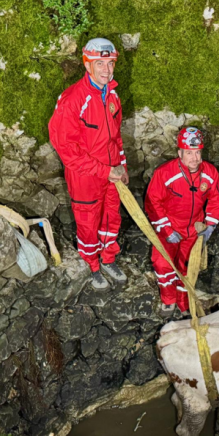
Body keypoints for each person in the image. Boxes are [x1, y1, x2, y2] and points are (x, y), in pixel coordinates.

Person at [48, 38, 129, 290]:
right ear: (87, 64)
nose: (106, 69)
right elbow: (67, 150)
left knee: (111, 217)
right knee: (88, 221)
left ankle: (108, 258)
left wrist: (121, 165)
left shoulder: (112, 95)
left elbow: (115, 136)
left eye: (110, 63)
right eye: (100, 63)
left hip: (112, 172)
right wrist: (105, 171)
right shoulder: (72, 100)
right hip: (85, 176)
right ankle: (92, 265)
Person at [145, 127, 219, 318]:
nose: (194, 158)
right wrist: (165, 229)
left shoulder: (210, 172)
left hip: (193, 229)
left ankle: (183, 303)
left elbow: (217, 199)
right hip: (170, 226)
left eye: (197, 153)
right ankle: (168, 300)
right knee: (162, 264)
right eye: (189, 153)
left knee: (188, 267)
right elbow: (152, 201)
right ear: (179, 153)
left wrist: (210, 225)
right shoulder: (165, 173)